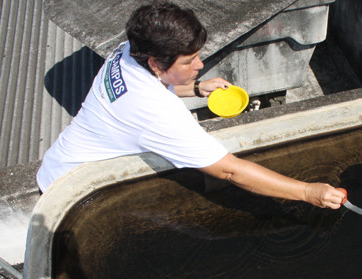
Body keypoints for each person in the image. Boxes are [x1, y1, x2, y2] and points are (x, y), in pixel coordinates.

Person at [36, 1, 345, 209]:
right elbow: (229, 171)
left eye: (198, 55)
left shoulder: (129, 50)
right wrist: (308, 192)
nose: (200, 64)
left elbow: (154, 83)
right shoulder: (158, 114)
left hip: (61, 161)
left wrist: (198, 88)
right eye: (189, 61)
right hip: (70, 193)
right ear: (156, 62)